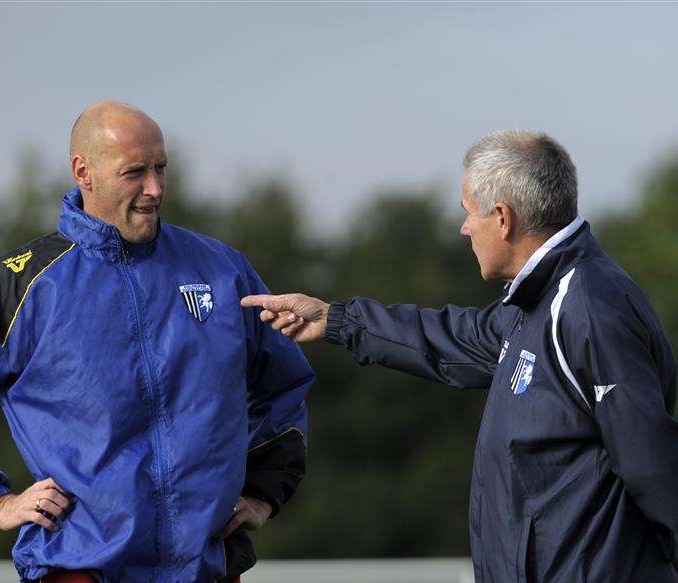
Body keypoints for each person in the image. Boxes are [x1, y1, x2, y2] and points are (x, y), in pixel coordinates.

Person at [0, 101, 314, 583]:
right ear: (83, 172)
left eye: (161, 168)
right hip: (79, 570)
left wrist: (264, 489)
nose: (155, 188)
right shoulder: (16, 285)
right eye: (134, 172)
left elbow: (286, 385)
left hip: (209, 569)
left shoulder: (221, 270)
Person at [242, 131, 678, 582]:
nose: (464, 227)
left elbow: (654, 465)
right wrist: (335, 320)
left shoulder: (585, 306)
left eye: (469, 213)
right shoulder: (540, 303)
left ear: (503, 218)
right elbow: (457, 338)